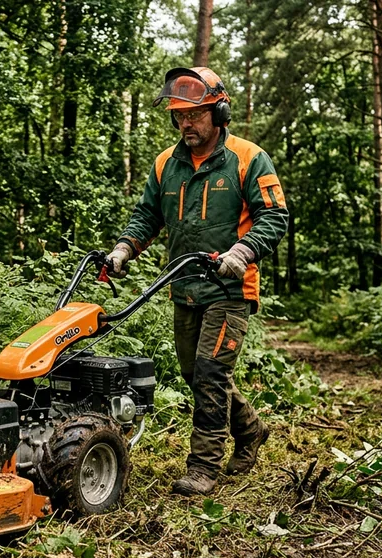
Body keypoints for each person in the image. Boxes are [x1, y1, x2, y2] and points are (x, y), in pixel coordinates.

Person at [106, 67, 289, 495]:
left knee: (209, 373)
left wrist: (242, 252)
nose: (186, 124)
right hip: (185, 284)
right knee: (196, 373)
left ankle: (203, 467)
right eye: (179, 116)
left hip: (230, 288)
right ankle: (250, 430)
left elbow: (275, 215)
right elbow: (148, 215)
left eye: (195, 115)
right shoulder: (166, 163)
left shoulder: (248, 157)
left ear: (218, 112)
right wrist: (123, 249)